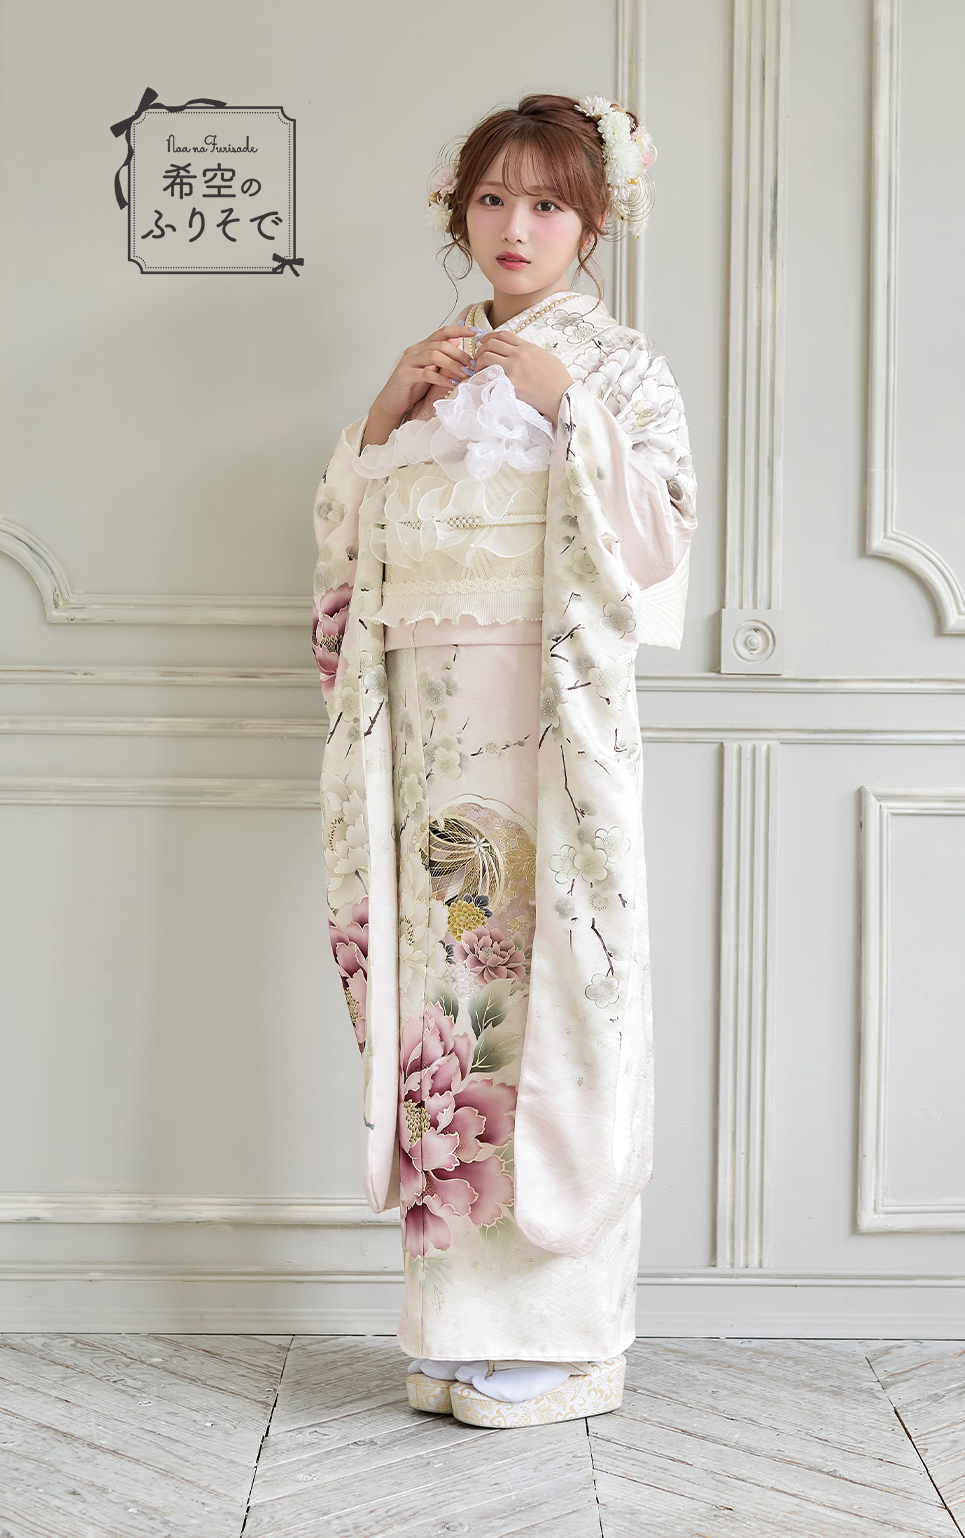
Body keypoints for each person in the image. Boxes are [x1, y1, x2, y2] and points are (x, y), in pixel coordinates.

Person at [311, 93, 697, 1429]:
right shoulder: (433, 364)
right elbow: (345, 560)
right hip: (429, 742)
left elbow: (658, 553)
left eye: (545, 203)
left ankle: (559, 1337)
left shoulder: (622, 369)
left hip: (546, 728)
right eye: (491, 199)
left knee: (553, 1001)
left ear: (594, 222)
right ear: (459, 213)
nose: (514, 227)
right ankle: (453, 1331)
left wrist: (570, 406)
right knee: (447, 1014)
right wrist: (383, 415)